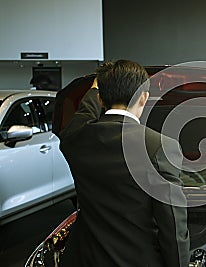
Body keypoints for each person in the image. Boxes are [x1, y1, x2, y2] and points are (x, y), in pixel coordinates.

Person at [59, 60, 190, 267]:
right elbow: (172, 225)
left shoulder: (75, 138)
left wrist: (95, 90)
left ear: (101, 99)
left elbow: (82, 117)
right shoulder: (159, 146)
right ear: (144, 98)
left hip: (84, 259)